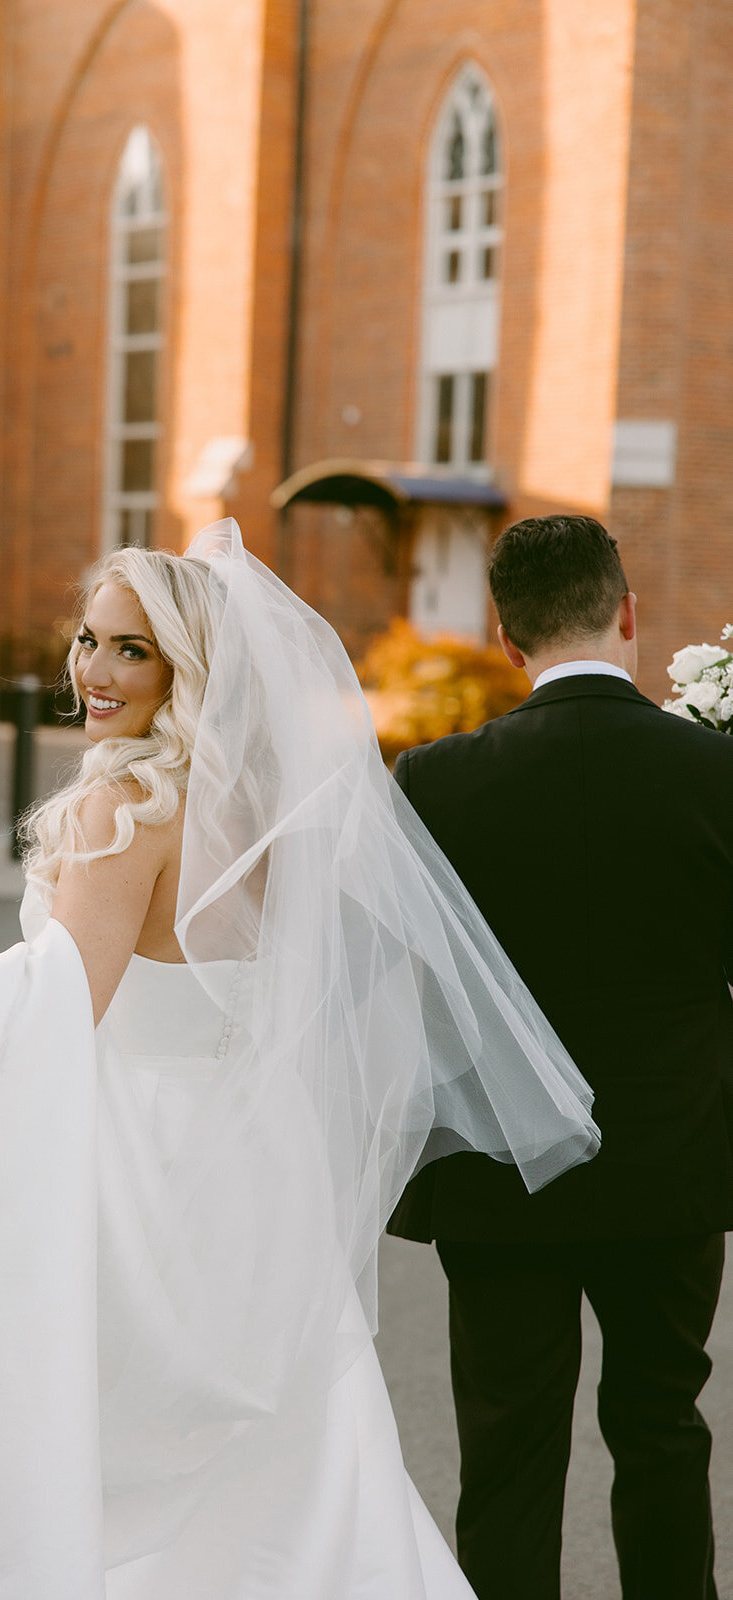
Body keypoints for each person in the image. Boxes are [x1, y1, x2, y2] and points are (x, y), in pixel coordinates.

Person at [0, 520, 597, 1600]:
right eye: (87, 639)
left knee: (98, 1445)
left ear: (186, 669)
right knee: (291, 1451)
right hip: (257, 1162)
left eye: (131, 650)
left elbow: (53, 1007)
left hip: (143, 1168)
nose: (93, 671)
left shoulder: (125, 808)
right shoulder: (267, 810)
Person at [388, 513, 733, 1600]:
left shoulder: (432, 782)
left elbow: (402, 986)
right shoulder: (713, 773)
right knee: (662, 1428)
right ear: (625, 613)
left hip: (500, 1173)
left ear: (504, 638)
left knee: (507, 1453)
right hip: (673, 1162)